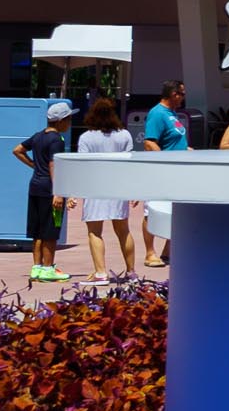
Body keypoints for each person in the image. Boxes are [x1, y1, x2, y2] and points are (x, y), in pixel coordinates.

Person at [73, 97, 138, 281]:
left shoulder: (86, 137)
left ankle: (100, 272)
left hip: (95, 186)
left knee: (94, 231)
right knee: (123, 230)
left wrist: (74, 192)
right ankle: (131, 271)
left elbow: (82, 165)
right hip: (118, 186)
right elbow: (130, 163)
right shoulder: (124, 135)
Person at [11, 100, 74, 284]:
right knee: (50, 231)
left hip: (35, 186)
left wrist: (34, 166)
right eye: (69, 119)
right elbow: (54, 165)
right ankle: (48, 269)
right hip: (49, 189)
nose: (70, 123)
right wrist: (58, 192)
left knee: (37, 231)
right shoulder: (57, 140)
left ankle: (37, 268)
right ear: (61, 120)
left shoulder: (38, 136)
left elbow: (17, 150)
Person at [141, 79, 190, 266]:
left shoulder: (172, 114)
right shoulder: (157, 113)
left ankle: (168, 250)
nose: (184, 97)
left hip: (177, 172)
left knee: (176, 209)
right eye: (182, 94)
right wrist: (165, 160)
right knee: (152, 211)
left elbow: (174, 142)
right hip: (161, 172)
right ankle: (149, 253)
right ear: (174, 94)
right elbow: (149, 142)